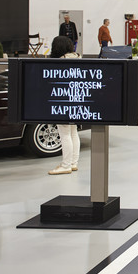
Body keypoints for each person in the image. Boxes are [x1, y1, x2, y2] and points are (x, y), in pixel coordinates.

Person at [48, 36, 82, 175]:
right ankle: (73, 162)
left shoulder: (60, 62)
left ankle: (66, 165)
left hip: (62, 99)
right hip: (76, 99)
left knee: (64, 133)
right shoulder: (77, 58)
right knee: (73, 131)